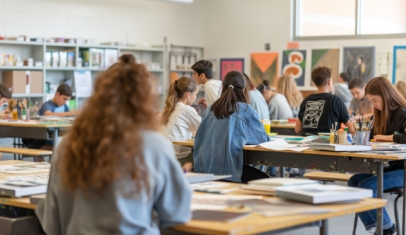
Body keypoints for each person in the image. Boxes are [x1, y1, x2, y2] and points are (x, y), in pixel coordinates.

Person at [36, 54, 192, 234]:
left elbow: (51, 225)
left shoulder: (67, 145)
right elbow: (177, 213)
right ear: (145, 101)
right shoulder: (154, 146)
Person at [348, 76, 406, 235]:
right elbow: (373, 138)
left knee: (368, 186)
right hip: (394, 167)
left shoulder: (403, 112)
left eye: (375, 100)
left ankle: (386, 228)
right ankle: (377, 227)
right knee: (354, 181)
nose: (373, 105)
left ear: (386, 95)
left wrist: (389, 137)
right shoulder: (379, 115)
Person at [193, 70, 270, 183]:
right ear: (244, 90)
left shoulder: (209, 109)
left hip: (204, 171)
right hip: (229, 172)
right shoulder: (246, 110)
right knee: (267, 180)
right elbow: (262, 139)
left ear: (222, 88)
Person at [295, 66, 355, 135]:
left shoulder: (306, 100)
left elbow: (298, 129)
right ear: (329, 82)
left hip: (306, 143)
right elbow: (352, 130)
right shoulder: (336, 100)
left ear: (315, 82)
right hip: (328, 143)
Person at [160, 76, 201, 172]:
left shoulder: (168, 108)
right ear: (188, 94)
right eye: (196, 94)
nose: (196, 98)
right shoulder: (186, 109)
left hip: (163, 155)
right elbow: (205, 129)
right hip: (177, 157)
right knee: (202, 158)